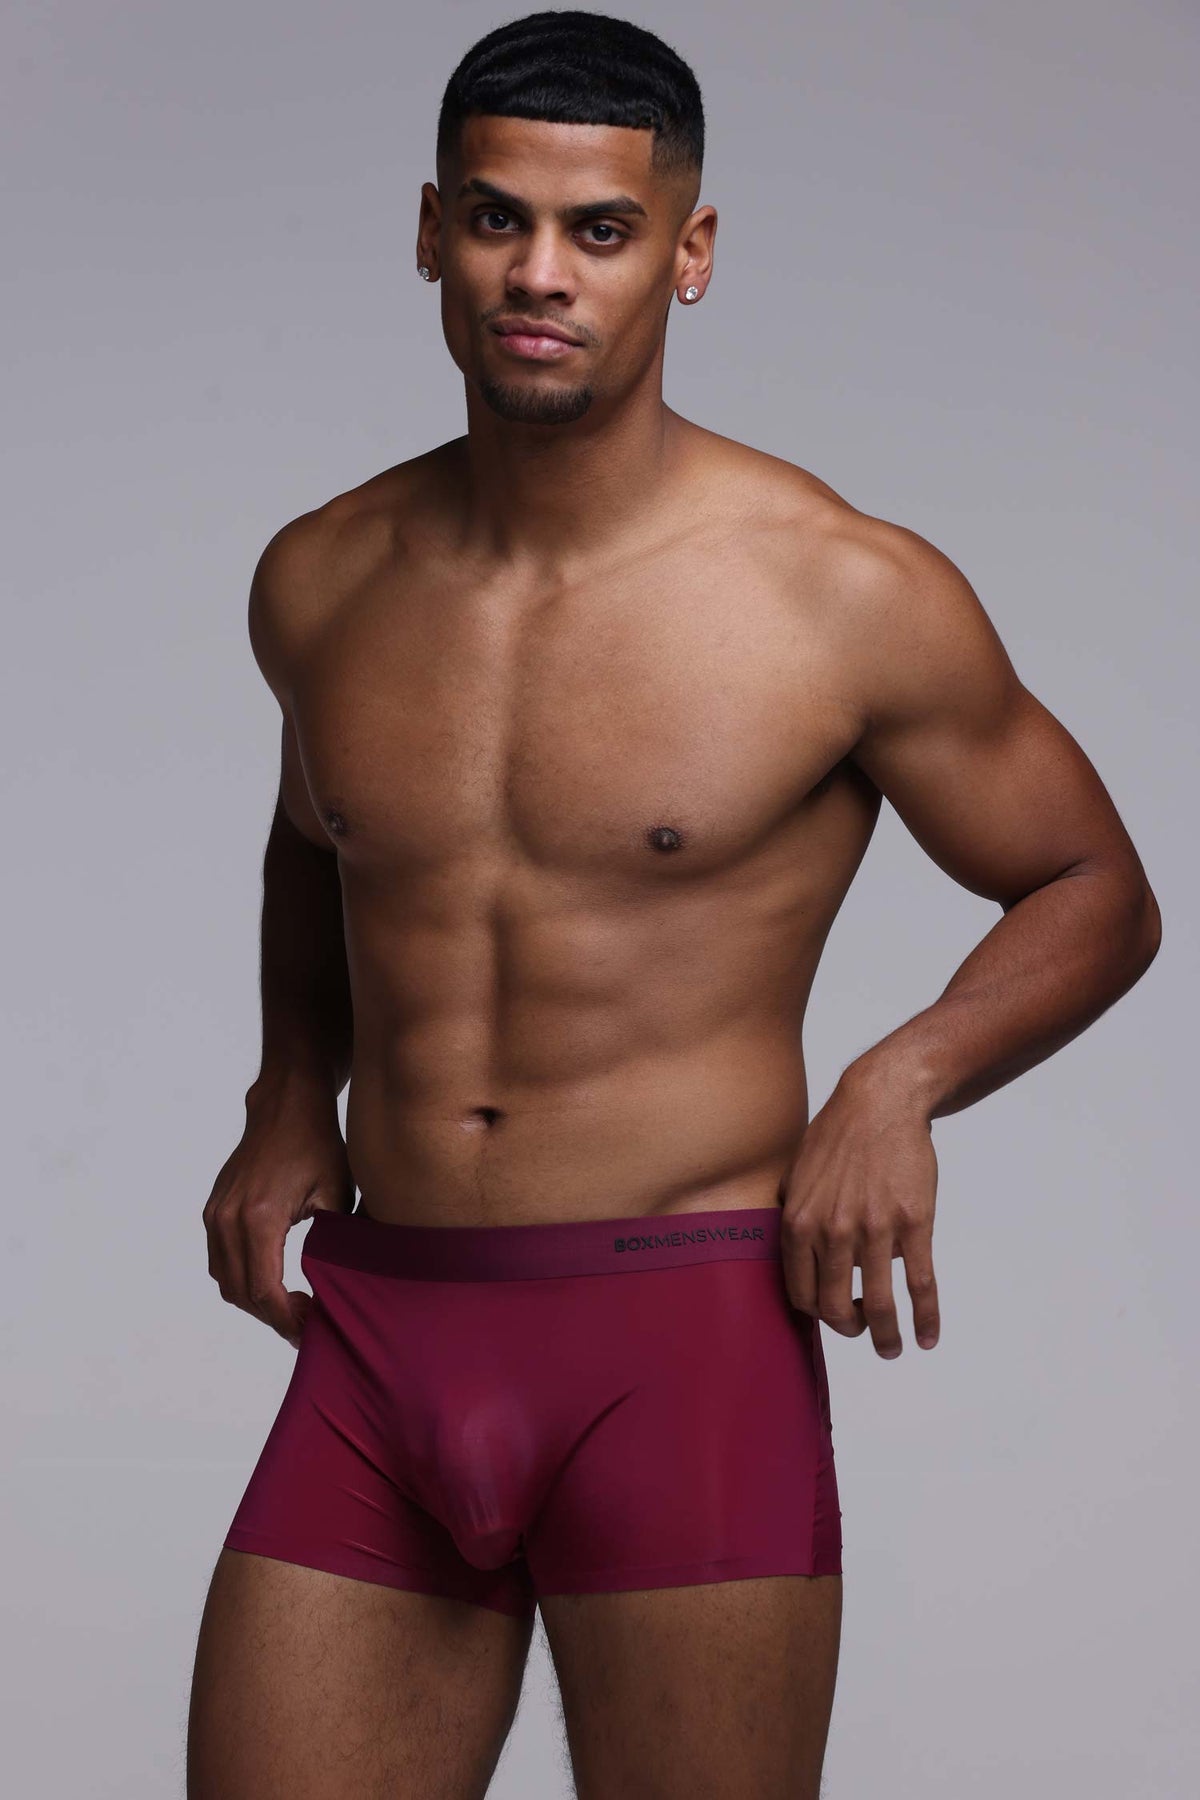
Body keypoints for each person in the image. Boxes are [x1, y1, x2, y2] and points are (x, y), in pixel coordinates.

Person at [185, 11, 1161, 1798]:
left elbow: (1096, 885)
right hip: (387, 1322)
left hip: (682, 1337)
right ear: (431, 232)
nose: (539, 273)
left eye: (602, 230)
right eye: (497, 219)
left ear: (688, 253)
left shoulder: (840, 595)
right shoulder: (321, 578)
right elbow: (318, 843)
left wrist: (899, 1080)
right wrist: (286, 1091)